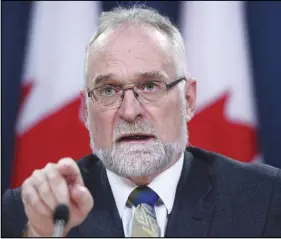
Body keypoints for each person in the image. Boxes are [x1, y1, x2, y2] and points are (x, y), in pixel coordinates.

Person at [2, 5, 281, 238]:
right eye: (108, 90)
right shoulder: (30, 213)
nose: (130, 111)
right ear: (86, 111)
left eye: (150, 86)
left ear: (188, 100)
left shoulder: (262, 199)